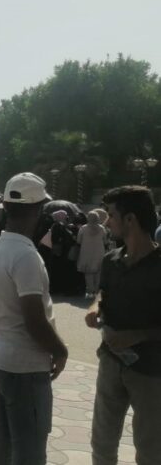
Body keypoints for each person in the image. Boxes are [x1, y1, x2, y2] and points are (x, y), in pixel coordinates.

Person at [0, 172, 67, 465]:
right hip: (24, 365)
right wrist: (60, 350)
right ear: (37, 209)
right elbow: (34, 320)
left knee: (5, 437)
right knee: (29, 447)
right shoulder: (25, 255)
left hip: (1, 356)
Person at [85, 186, 161, 465]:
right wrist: (95, 306)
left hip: (150, 372)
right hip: (110, 360)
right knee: (102, 441)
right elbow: (103, 292)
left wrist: (136, 335)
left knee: (150, 447)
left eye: (111, 215)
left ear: (130, 219)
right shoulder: (111, 260)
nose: (106, 222)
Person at [77, 210, 109, 298]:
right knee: (98, 273)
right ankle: (97, 291)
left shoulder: (83, 228)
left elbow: (78, 241)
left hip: (86, 252)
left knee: (88, 274)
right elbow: (105, 241)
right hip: (99, 252)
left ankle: (90, 292)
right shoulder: (102, 228)